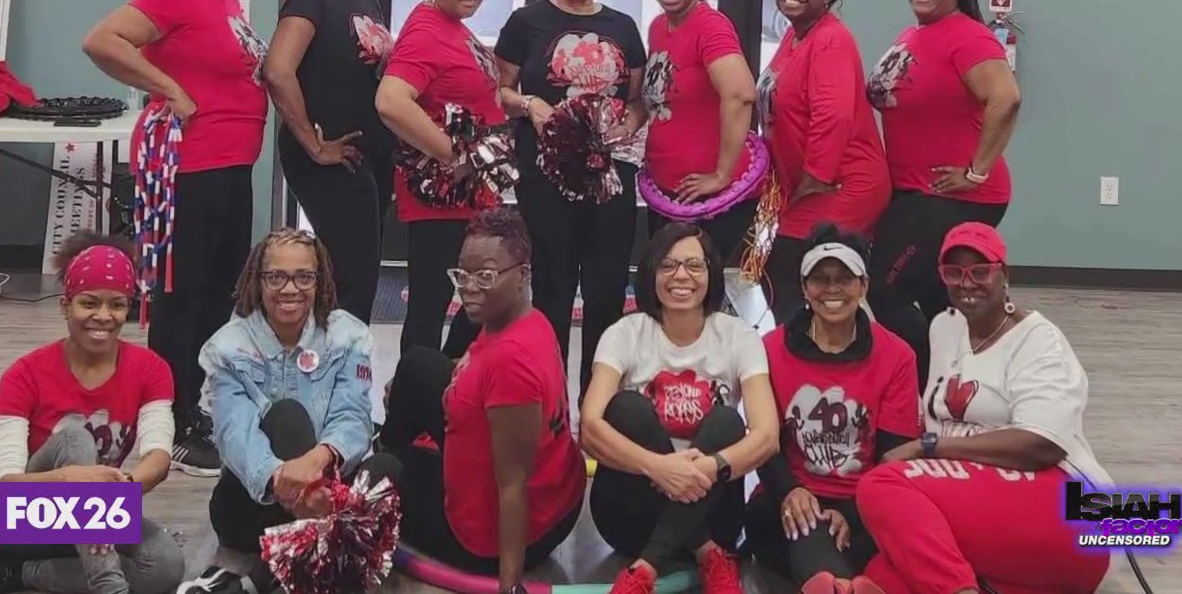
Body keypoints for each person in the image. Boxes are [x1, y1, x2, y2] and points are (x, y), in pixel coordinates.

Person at [83, 0, 270, 476]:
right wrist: (171, 90)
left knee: (217, 292)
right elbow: (102, 40)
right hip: (192, 167)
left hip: (231, 166)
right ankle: (170, 421)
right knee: (182, 295)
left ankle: (193, 404)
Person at [855, 223, 1112, 594]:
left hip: (1067, 504)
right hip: (984, 505)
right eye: (954, 272)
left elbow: (1043, 444)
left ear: (1004, 274)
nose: (967, 282)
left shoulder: (1038, 339)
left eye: (980, 271)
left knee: (882, 486)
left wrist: (929, 447)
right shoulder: (944, 328)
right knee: (883, 572)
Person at [0, 232, 184, 594]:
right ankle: (109, 585)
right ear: (65, 305)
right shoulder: (24, 374)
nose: (103, 316)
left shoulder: (150, 369)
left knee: (164, 565)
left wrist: (116, 492)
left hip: (101, 511)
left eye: (117, 305)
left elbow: (158, 458)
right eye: (89, 303)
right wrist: (71, 480)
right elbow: (7, 483)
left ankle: (9, 573)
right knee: (75, 438)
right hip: (15, 515)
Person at [180, 229, 403, 594]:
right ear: (258, 280)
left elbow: (353, 417)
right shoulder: (227, 346)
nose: (290, 289)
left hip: (329, 493)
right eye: (276, 277)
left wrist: (317, 463)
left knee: (387, 469)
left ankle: (260, 579)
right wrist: (292, 488)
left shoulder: (349, 335)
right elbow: (235, 434)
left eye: (303, 277)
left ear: (319, 280)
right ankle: (324, 556)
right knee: (287, 417)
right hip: (254, 504)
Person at [379, 207, 585, 590]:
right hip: (559, 499)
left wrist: (509, 584)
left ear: (522, 274)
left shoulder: (511, 364)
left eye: (485, 275)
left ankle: (386, 450)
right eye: (463, 274)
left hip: (501, 536)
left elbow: (513, 484)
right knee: (418, 367)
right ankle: (390, 438)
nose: (469, 287)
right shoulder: (528, 319)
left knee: (380, 471)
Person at [862, 0, 1022, 391]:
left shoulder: (967, 36)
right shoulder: (915, 34)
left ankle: (928, 388)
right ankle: (964, 388)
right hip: (915, 193)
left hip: (954, 196)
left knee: (884, 289)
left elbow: (1006, 98)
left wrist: (977, 171)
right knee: (939, 300)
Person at [494, 0, 648, 398]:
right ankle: (550, 401)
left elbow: (638, 100)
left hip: (610, 177)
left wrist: (628, 124)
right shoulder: (525, 23)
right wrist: (530, 104)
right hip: (545, 176)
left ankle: (598, 403)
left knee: (606, 290)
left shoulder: (622, 26)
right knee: (552, 288)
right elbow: (500, 91)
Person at [580, 223, 779, 594]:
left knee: (726, 422)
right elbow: (590, 426)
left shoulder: (739, 336)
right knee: (626, 409)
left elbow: (767, 435)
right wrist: (659, 468)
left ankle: (643, 571)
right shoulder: (625, 333)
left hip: (716, 512)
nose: (681, 276)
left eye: (694, 265)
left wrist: (708, 468)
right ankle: (708, 554)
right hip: (629, 516)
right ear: (651, 274)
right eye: (668, 266)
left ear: (711, 273)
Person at [745, 223, 919, 594]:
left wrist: (852, 513)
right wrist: (790, 492)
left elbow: (894, 456)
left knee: (874, 528)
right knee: (803, 523)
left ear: (864, 285)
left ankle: (834, 585)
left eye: (845, 278)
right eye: (820, 279)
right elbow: (764, 442)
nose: (832, 289)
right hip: (787, 498)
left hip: (866, 502)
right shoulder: (769, 349)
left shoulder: (897, 355)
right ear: (804, 287)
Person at [265, 0, 395, 325]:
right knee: (352, 276)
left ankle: (344, 356)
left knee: (359, 271)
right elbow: (277, 70)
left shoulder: (366, 0)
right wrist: (314, 144)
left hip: (368, 157)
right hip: (332, 157)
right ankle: (334, 361)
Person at [376, 0, 505, 359]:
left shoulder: (452, 26)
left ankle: (444, 377)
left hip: (471, 194)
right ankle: (419, 390)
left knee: (481, 294)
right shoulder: (427, 32)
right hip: (444, 199)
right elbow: (391, 101)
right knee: (433, 304)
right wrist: (453, 155)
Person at [755, 0, 889, 324]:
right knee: (784, 276)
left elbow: (834, 116)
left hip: (840, 183)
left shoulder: (830, 39)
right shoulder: (794, 35)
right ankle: (808, 346)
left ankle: (818, 349)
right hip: (808, 184)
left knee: (787, 272)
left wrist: (814, 177)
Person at [639, 0, 760, 263]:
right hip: (667, 190)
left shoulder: (710, 26)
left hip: (710, 198)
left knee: (698, 286)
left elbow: (740, 94)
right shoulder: (658, 27)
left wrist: (721, 174)